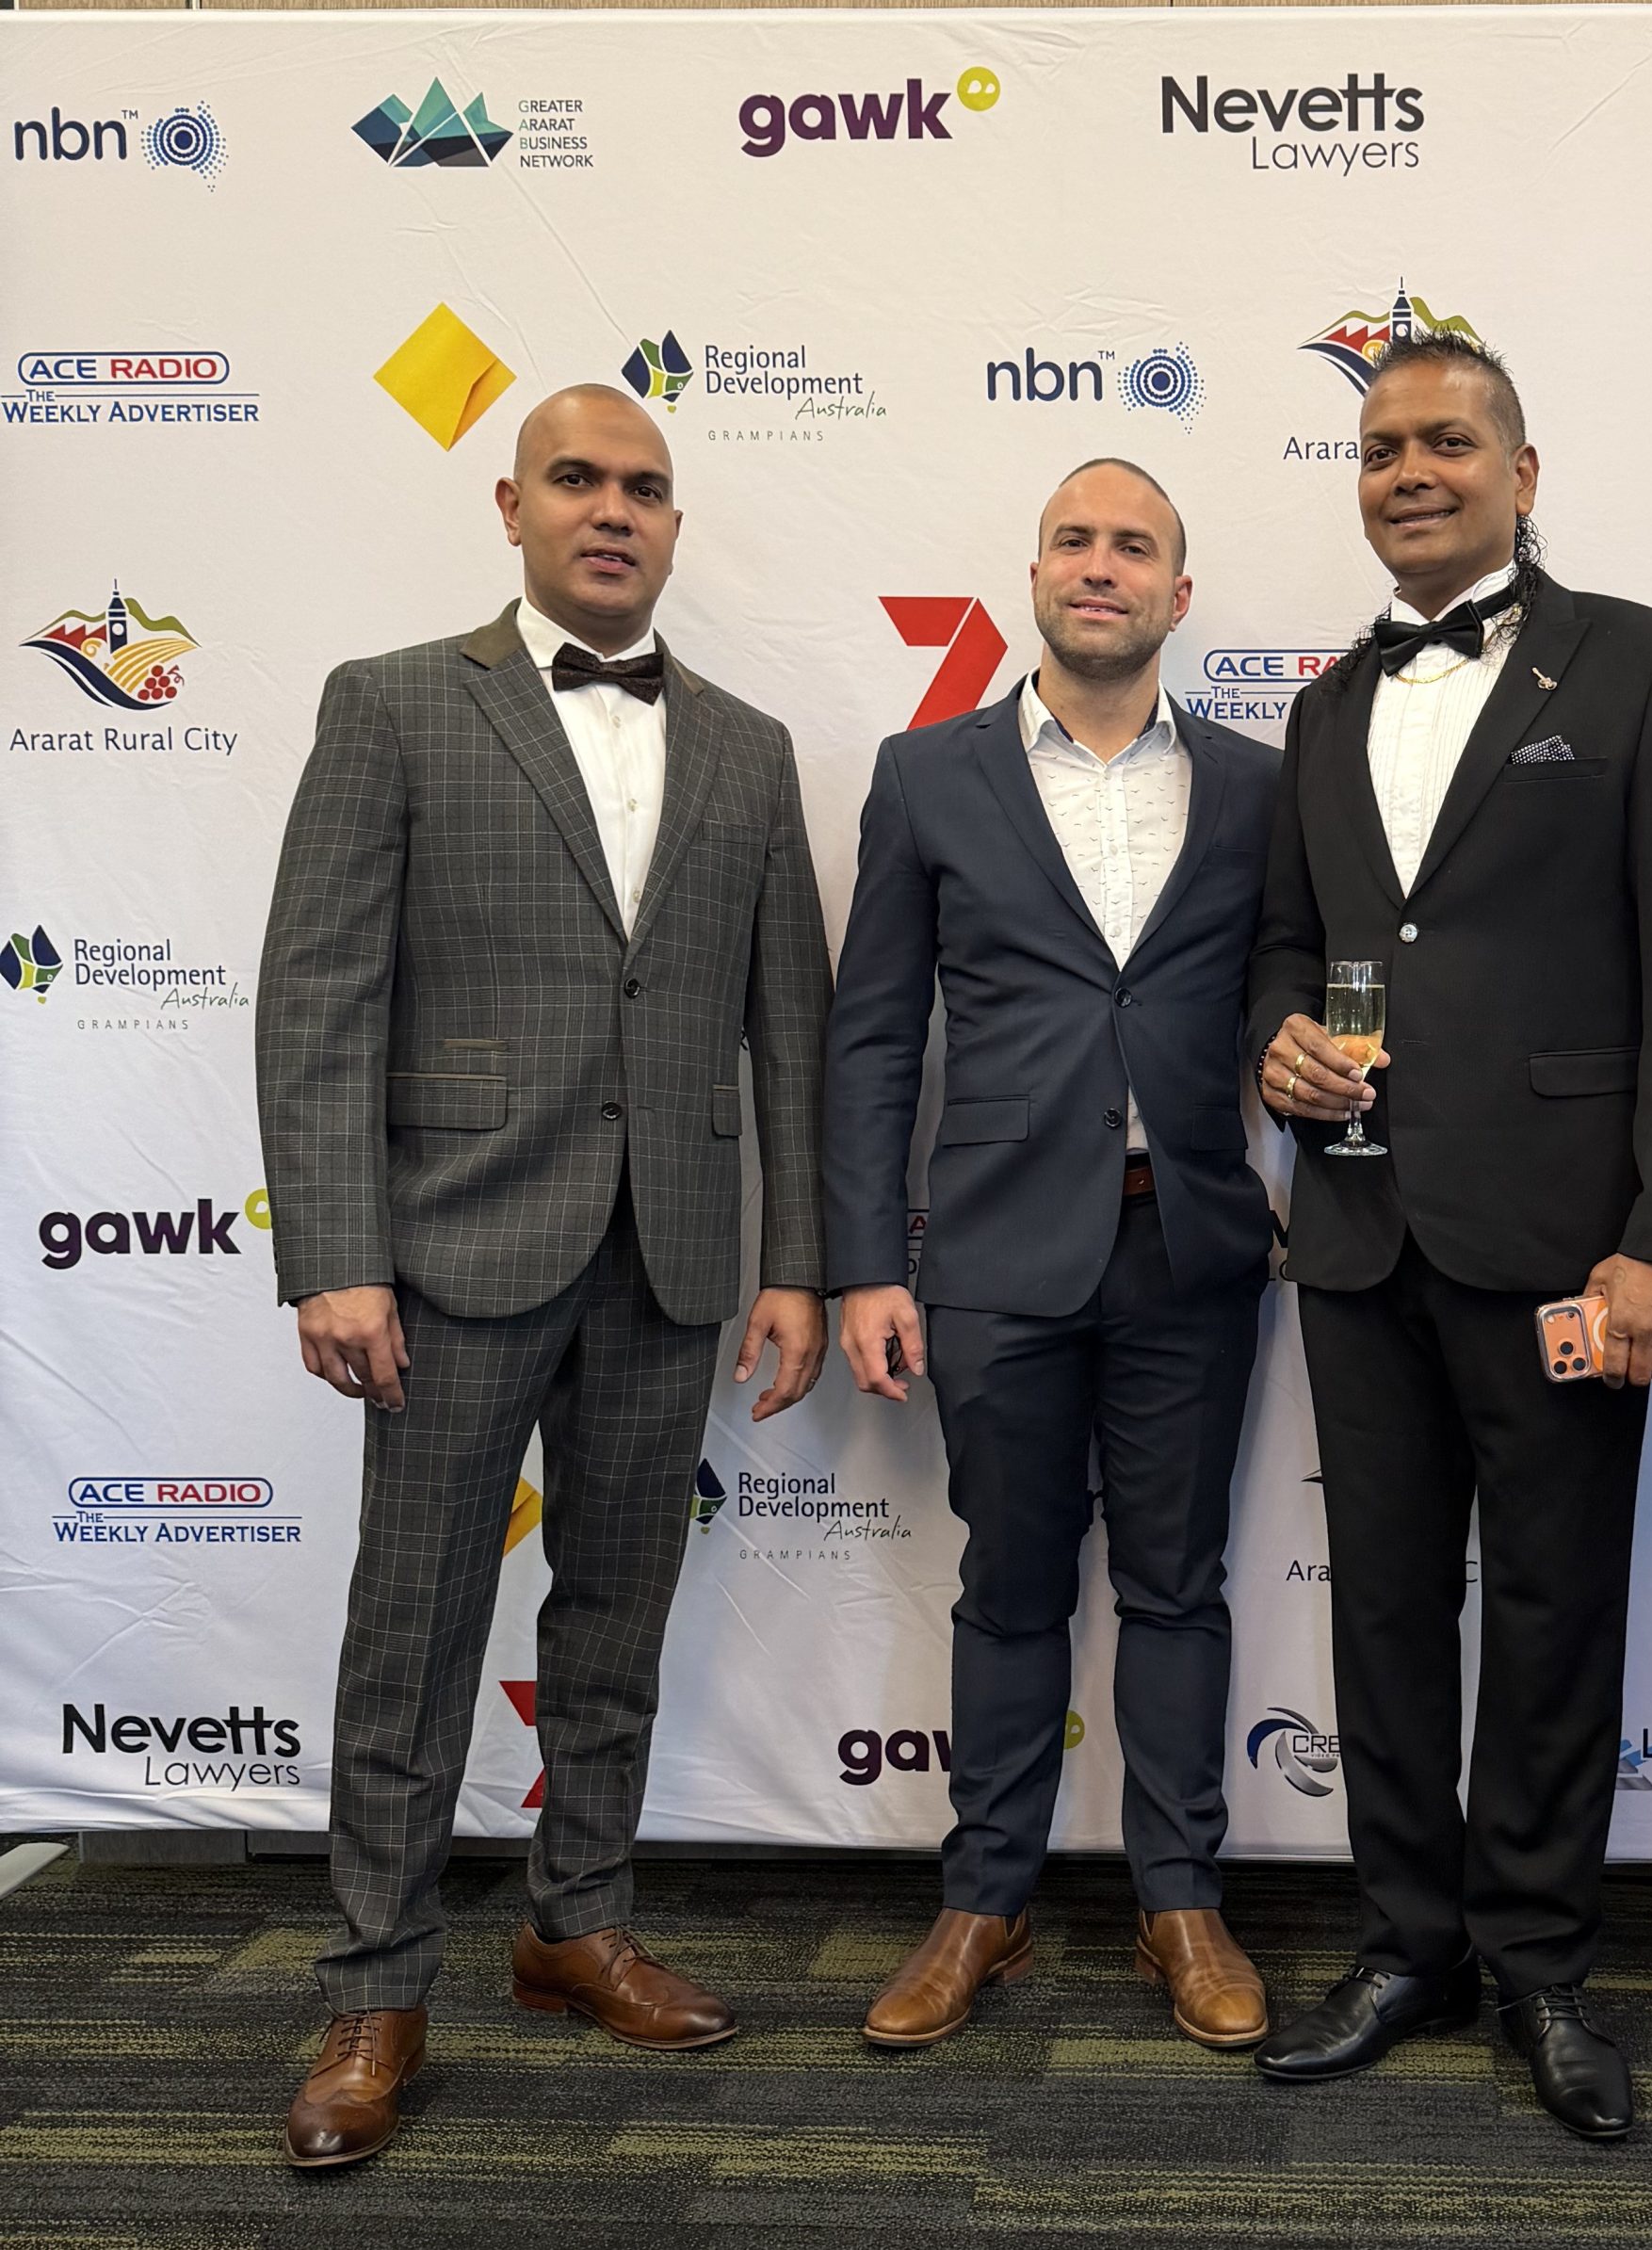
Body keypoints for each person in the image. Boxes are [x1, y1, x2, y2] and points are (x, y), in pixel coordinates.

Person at [257, 385, 831, 2168]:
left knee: (614, 1620)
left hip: (669, 1256)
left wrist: (797, 1263)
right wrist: (335, 1254)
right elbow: (319, 994)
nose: (612, 509)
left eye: (644, 487)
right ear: (512, 505)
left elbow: (791, 1034)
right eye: (577, 479)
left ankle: (577, 1922)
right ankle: (378, 1986)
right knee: (413, 1633)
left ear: (675, 525)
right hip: (449, 1254)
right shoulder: (391, 703)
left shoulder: (749, 747)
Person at [1245, 332, 1652, 2140]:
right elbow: (1290, 940)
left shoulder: (1646, 665)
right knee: (1383, 1607)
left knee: (1551, 1608)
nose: (1411, 470)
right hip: (1359, 1228)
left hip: (1565, 1247)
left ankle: (1540, 1959)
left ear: (1522, 474)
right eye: (1382, 446)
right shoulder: (1324, 708)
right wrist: (1276, 1038)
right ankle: (1408, 1943)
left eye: (1448, 441)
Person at [826, 461, 1278, 2051]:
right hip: (996, 1255)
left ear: (1178, 591)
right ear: (1033, 576)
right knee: (1009, 1589)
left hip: (1191, 1249)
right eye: (1075, 540)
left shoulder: (1258, 786)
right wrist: (867, 1261)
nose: (1102, 565)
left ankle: (1181, 1898)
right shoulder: (926, 774)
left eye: (1134, 545)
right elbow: (875, 1036)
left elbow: (1286, 994)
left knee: (1178, 1588)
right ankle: (984, 1898)